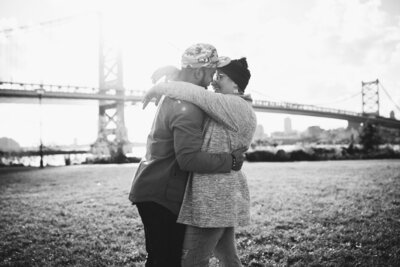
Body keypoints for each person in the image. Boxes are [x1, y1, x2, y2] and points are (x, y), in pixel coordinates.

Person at [128, 43, 247, 267]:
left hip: (154, 187)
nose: (213, 80)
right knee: (166, 261)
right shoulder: (187, 105)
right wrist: (230, 160)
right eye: (212, 72)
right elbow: (188, 159)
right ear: (199, 72)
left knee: (160, 259)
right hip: (162, 194)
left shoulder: (176, 93)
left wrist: (174, 74)